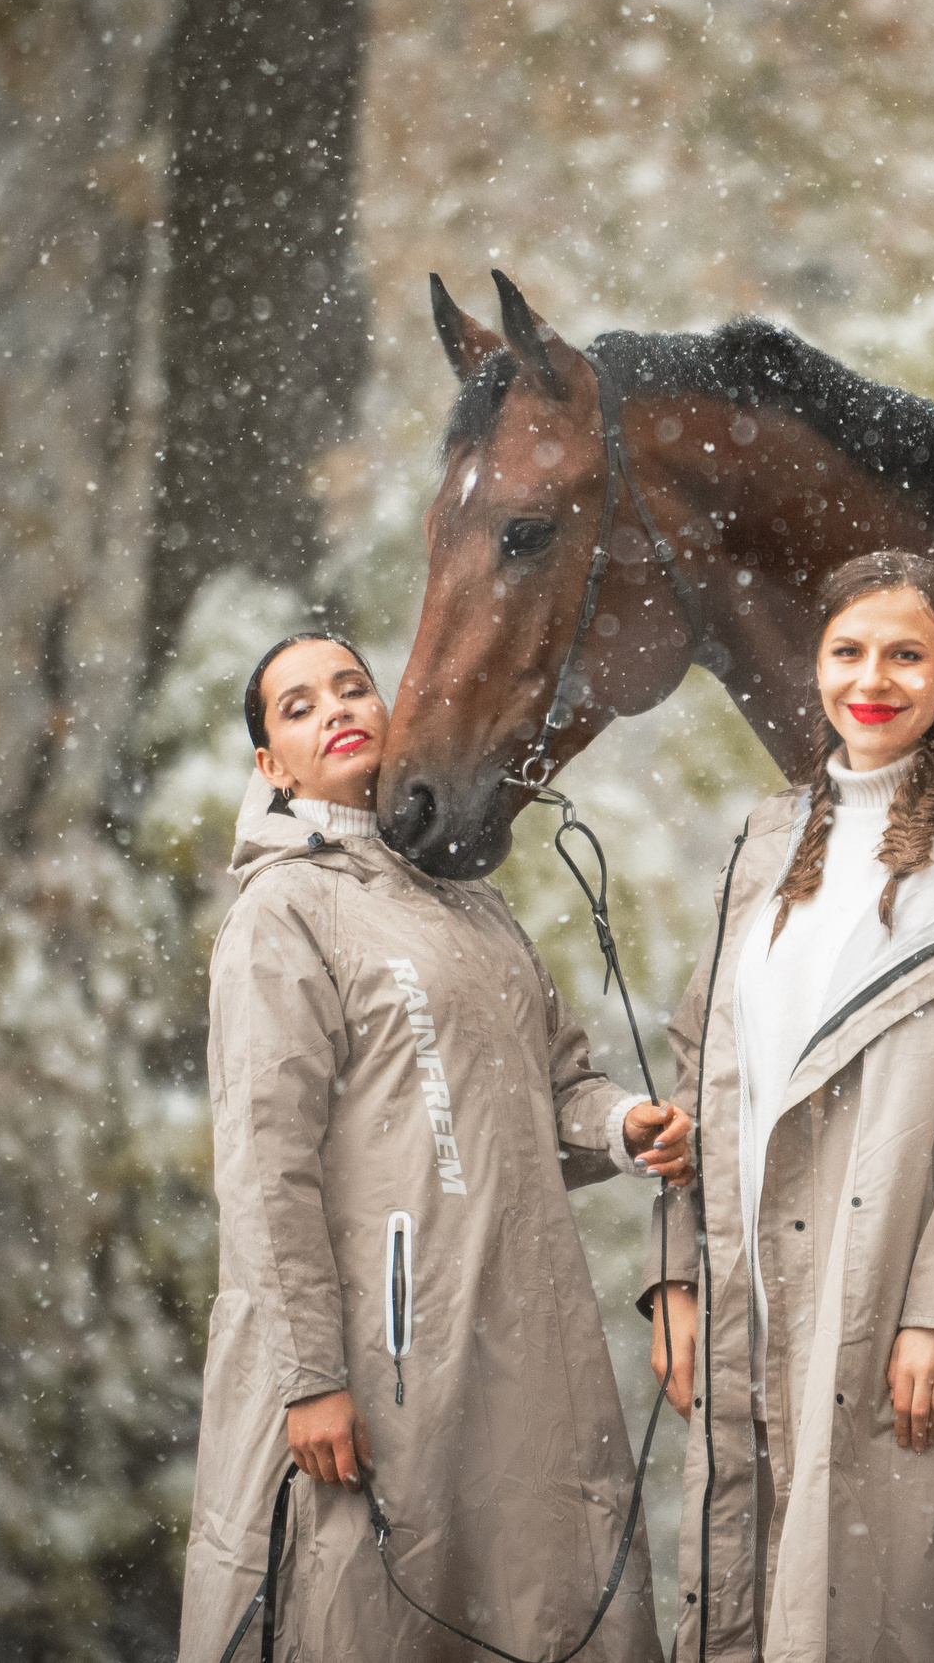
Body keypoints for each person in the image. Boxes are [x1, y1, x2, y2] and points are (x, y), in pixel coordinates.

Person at [176, 632, 692, 1663]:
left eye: (351, 684)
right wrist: (308, 1376)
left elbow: (554, 1090)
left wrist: (623, 1126)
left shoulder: (471, 898)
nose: (335, 707)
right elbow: (264, 1166)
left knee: (541, 1598)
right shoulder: (282, 913)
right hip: (382, 1354)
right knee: (371, 1610)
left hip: (522, 1330)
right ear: (271, 767)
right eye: (297, 705)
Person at [643, 551, 934, 1663]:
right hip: (745, 1269)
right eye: (847, 651)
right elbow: (707, 1066)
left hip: (883, 1271)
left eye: (904, 654)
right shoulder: (770, 835)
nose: (869, 678)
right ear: (816, 665)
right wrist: (678, 1276)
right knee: (744, 1565)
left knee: (873, 1588)